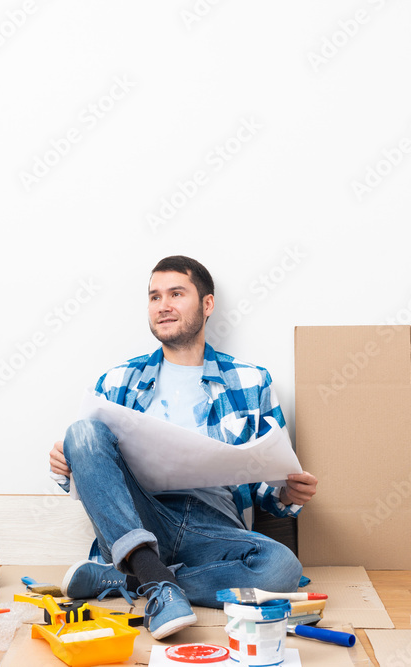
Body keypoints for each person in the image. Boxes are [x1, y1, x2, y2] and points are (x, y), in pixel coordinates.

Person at [48, 255, 318, 640]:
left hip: (215, 529)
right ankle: (155, 581)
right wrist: (67, 462)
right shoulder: (117, 380)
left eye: (176, 293)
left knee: (281, 569)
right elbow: (94, 479)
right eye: (155, 296)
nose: (164, 305)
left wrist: (287, 492)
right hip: (142, 516)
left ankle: (131, 575)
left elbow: (266, 485)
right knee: (81, 432)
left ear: (207, 305)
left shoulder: (251, 380)